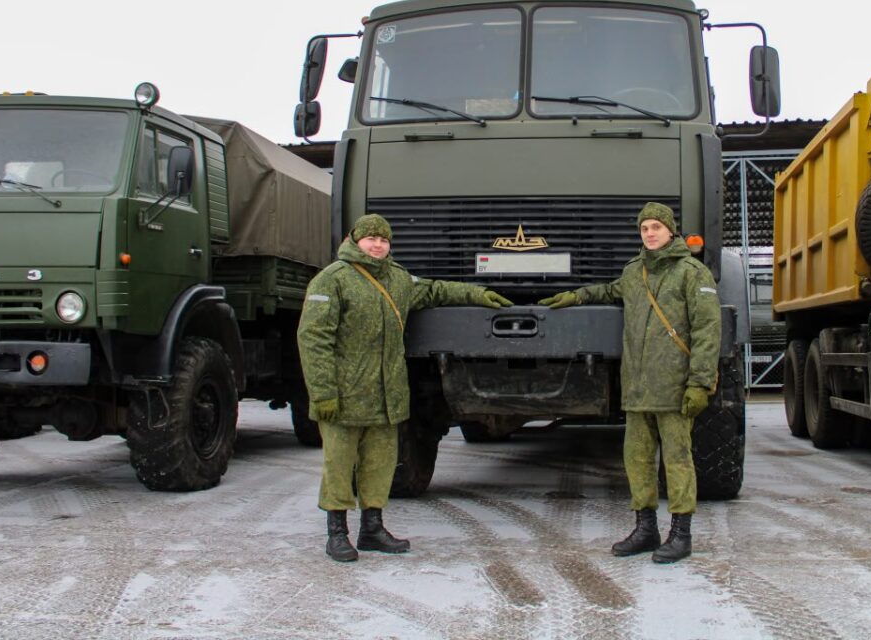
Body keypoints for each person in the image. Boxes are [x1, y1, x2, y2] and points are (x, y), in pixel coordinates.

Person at [298, 213, 513, 562]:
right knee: (339, 465)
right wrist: (323, 393)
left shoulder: (398, 279)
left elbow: (436, 289)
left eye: (384, 240)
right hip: (345, 395)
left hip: (387, 397)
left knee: (380, 465)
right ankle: (337, 532)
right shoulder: (331, 280)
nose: (378, 245)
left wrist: (479, 293)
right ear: (356, 240)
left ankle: (372, 529)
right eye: (371, 239)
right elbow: (313, 340)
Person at [539, 202, 720, 563]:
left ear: (671, 231)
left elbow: (707, 331)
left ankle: (681, 534)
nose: (650, 233)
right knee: (636, 460)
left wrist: (699, 384)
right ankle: (646, 529)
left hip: (674, 388)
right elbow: (610, 291)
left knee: (677, 460)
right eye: (644, 228)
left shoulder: (692, 273)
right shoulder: (634, 272)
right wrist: (576, 296)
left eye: (656, 227)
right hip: (638, 390)